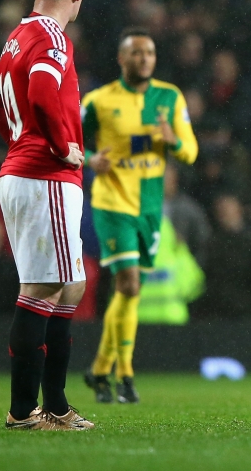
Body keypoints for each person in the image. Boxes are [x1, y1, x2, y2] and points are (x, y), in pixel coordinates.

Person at [0, 0, 93, 431]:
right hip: (43, 174)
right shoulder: (52, 37)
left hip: (27, 171)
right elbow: (43, 91)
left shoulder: (16, 37)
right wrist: (56, 145)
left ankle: (54, 407)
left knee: (71, 284)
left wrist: (18, 143)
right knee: (43, 288)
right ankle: (23, 411)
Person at [81, 28, 198, 404]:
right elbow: (68, 141)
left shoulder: (169, 97)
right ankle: (126, 375)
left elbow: (191, 153)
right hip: (112, 203)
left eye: (149, 52)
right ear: (121, 59)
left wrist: (173, 141)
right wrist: (89, 159)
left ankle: (101, 370)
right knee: (129, 284)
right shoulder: (98, 101)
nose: (143, 58)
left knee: (129, 291)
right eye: (135, 53)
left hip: (150, 209)